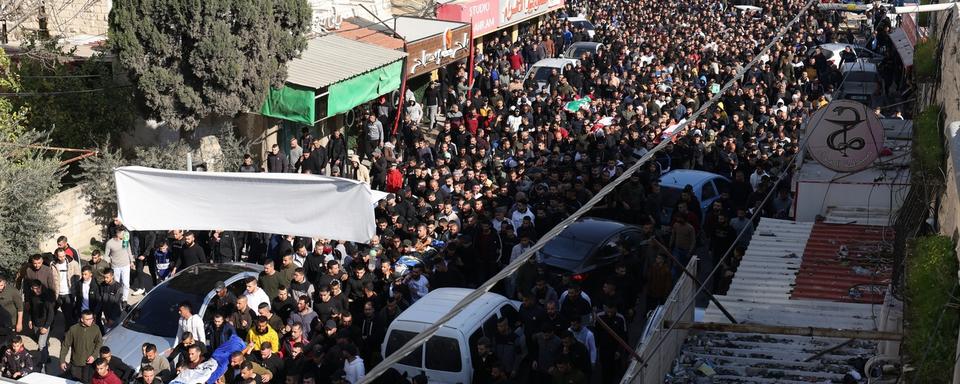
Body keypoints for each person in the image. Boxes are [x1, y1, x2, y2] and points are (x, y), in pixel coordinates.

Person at [60, 310, 103, 381]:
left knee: (87, 381)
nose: (90, 321)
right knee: (75, 381)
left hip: (89, 364)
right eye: (87, 319)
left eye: (91, 319)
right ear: (82, 319)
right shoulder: (73, 329)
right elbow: (65, 345)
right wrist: (62, 360)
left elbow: (99, 342)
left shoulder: (95, 328)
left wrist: (94, 356)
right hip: (76, 363)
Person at [24, 280, 54, 363]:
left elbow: (51, 314)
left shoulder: (46, 298)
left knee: (41, 345)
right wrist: (30, 320)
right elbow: (31, 310)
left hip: (44, 324)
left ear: (41, 287)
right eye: (34, 288)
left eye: (38, 288)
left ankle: (42, 365)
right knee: (43, 343)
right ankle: (47, 357)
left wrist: (46, 327)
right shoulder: (32, 296)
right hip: (35, 324)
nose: (36, 290)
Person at [103, 227, 134, 302]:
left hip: (126, 265)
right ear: (117, 233)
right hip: (115, 266)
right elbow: (106, 255)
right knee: (117, 283)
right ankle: (117, 298)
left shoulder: (125, 239)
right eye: (123, 233)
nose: (124, 235)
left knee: (126, 284)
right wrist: (109, 261)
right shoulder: (109, 243)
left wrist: (132, 261)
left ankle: (124, 300)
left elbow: (128, 250)